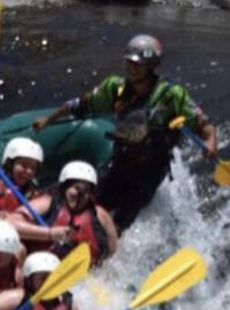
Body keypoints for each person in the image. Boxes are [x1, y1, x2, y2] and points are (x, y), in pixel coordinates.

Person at [31, 33, 218, 231]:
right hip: (121, 161)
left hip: (150, 169)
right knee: (91, 203)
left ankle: (106, 249)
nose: (132, 68)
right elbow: (79, 104)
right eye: (129, 63)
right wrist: (48, 119)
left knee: (121, 222)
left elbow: (204, 125)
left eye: (138, 64)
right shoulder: (116, 88)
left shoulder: (171, 95)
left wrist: (210, 144)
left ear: (152, 65)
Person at [10, 160, 118, 267]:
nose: (80, 196)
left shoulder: (101, 215)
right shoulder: (47, 202)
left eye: (86, 191)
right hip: (40, 269)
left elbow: (113, 253)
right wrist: (49, 234)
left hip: (84, 276)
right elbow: (10, 223)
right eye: (77, 189)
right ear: (65, 187)